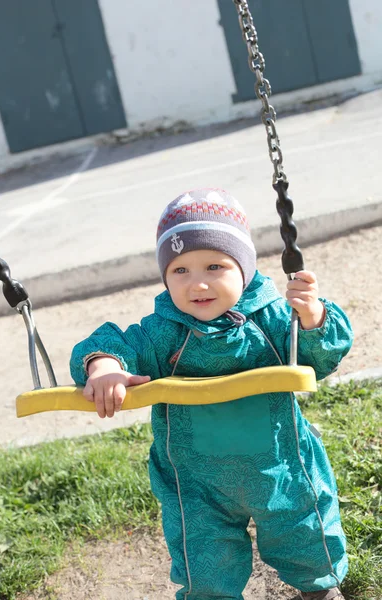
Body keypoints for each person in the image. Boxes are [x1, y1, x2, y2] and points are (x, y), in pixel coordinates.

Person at [70, 188, 353, 600]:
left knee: (305, 534)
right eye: (180, 270)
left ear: (245, 270)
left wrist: (313, 317)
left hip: (280, 465)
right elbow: (114, 342)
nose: (197, 283)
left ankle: (319, 591)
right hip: (196, 482)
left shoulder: (274, 318)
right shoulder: (163, 332)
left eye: (215, 265)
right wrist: (105, 365)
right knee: (204, 563)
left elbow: (322, 358)